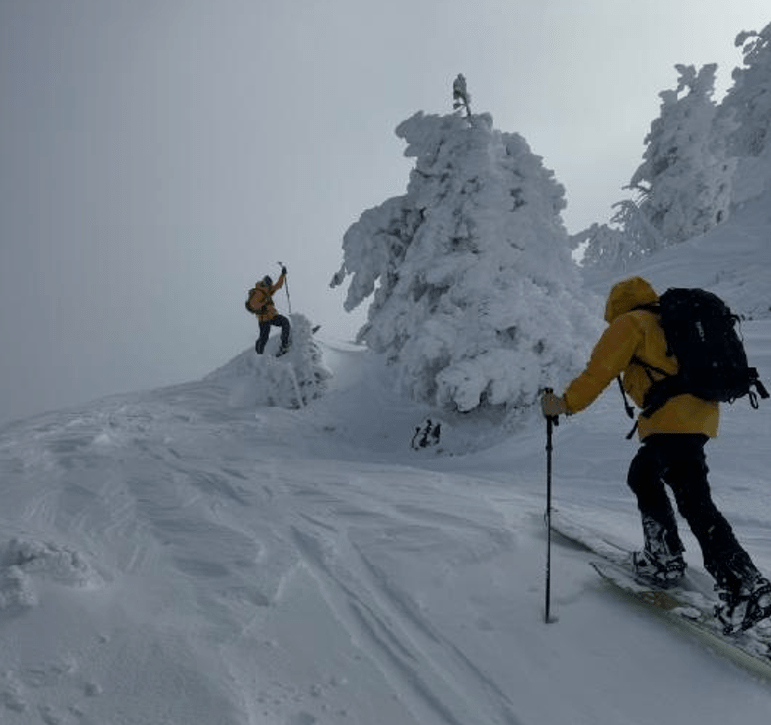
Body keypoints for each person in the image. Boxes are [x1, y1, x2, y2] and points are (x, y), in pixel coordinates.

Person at [540, 276, 771, 632]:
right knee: (675, 489)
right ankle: (704, 568)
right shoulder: (666, 322)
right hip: (699, 417)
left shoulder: (630, 323)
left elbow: (598, 372)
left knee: (660, 484)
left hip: (670, 418)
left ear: (615, 306)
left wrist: (564, 403)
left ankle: (731, 579)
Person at [248, 267, 291, 356]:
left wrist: (283, 275)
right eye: (267, 284)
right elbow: (253, 304)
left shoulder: (268, 291)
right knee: (264, 338)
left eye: (269, 285)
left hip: (272, 316)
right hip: (263, 319)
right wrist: (263, 304)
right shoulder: (258, 292)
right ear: (264, 283)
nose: (269, 286)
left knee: (285, 322)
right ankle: (258, 355)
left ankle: (284, 345)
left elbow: (278, 285)